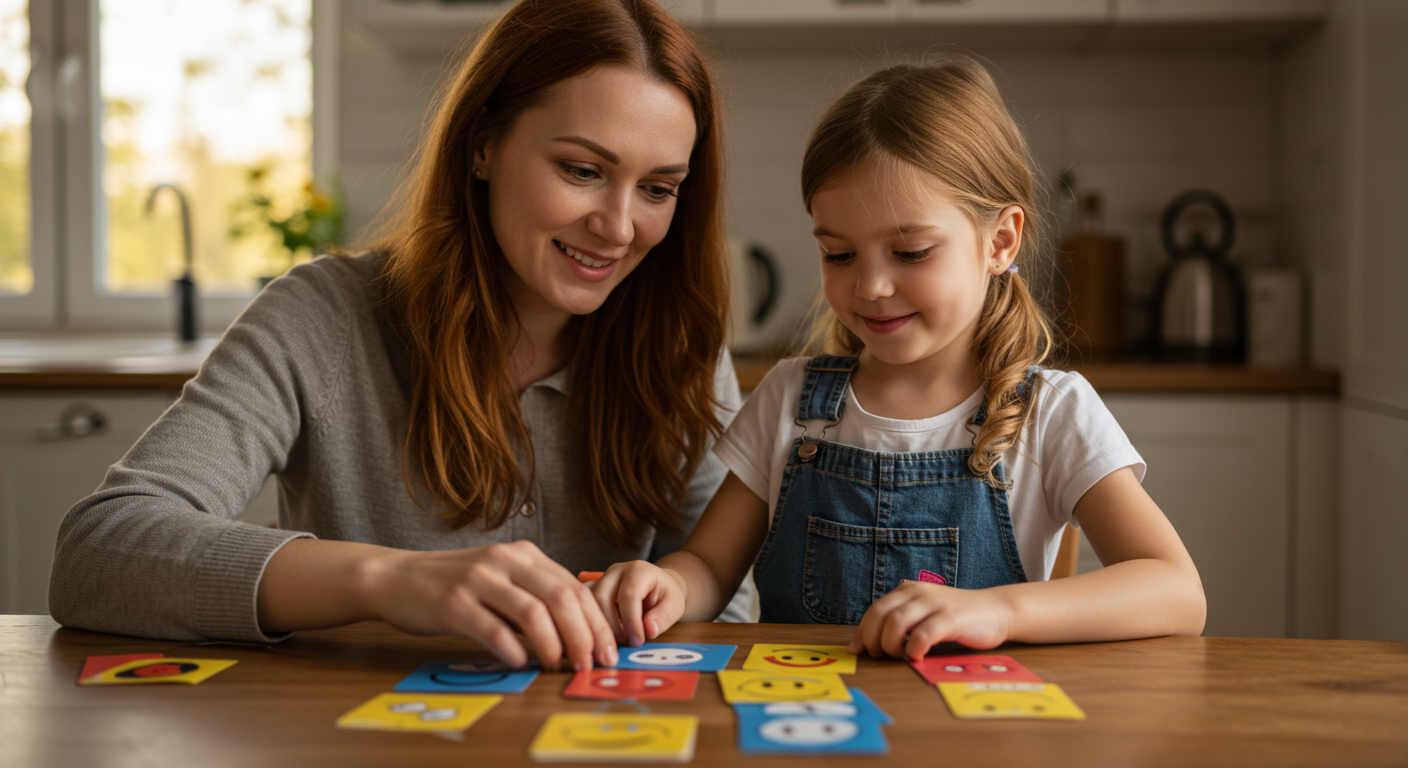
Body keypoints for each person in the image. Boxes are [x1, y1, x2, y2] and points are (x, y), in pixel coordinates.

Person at [49, 0, 750, 673]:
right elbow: (98, 551)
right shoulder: (322, 318)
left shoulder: (680, 343)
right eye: (582, 171)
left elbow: (730, 596)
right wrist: (391, 579)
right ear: (482, 145)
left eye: (658, 188)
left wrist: (663, 600)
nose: (621, 227)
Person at [593, 58, 1207, 659]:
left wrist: (999, 610)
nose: (871, 287)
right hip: (804, 721)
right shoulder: (788, 401)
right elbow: (707, 566)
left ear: (1000, 242)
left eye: (910, 252)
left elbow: (1176, 591)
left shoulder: (1050, 412)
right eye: (839, 255)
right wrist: (668, 585)